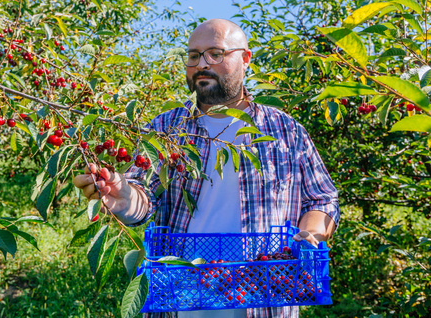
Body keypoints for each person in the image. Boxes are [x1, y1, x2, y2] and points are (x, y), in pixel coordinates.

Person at [73, 19, 340, 318]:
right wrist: (124, 197)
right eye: (193, 55)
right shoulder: (164, 129)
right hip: (179, 302)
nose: (202, 64)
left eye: (215, 53)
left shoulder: (284, 130)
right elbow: (142, 197)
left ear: (245, 59)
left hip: (265, 300)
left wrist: (311, 232)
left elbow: (322, 198)